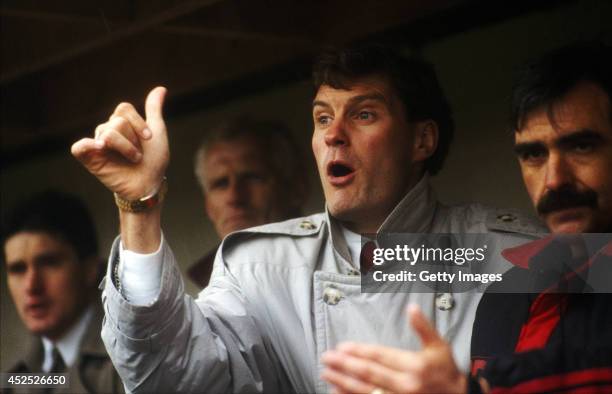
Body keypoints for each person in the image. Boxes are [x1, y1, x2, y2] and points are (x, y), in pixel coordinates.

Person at [71, 44, 542, 393]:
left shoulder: (517, 255)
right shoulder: (259, 267)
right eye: (321, 118)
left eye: (363, 114)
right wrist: (140, 207)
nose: (334, 135)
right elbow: (169, 378)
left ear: (422, 141)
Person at [320, 42, 612, 394]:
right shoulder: (508, 293)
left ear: (423, 140)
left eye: (582, 147)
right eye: (534, 154)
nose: (554, 180)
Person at [2, 190, 124, 394]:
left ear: (89, 269)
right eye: (18, 269)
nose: (31, 285)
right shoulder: (12, 382)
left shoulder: (130, 363)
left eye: (49, 263)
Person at [188, 116, 308, 288]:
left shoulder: (355, 260)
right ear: (208, 206)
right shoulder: (200, 292)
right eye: (220, 184)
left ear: (296, 188)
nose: (234, 197)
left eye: (252, 178)